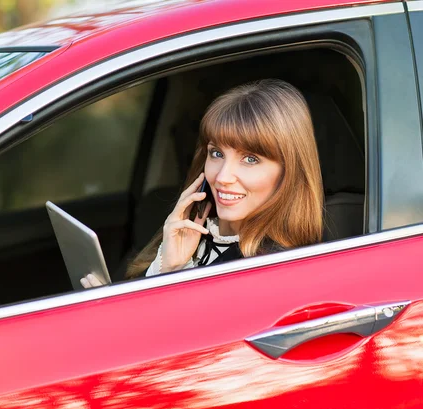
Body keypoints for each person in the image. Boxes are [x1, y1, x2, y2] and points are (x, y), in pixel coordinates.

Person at [80, 79, 323, 288]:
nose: (222, 177)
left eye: (250, 159)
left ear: (288, 173)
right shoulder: (194, 233)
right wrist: (169, 267)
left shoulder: (268, 270)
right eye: (216, 153)